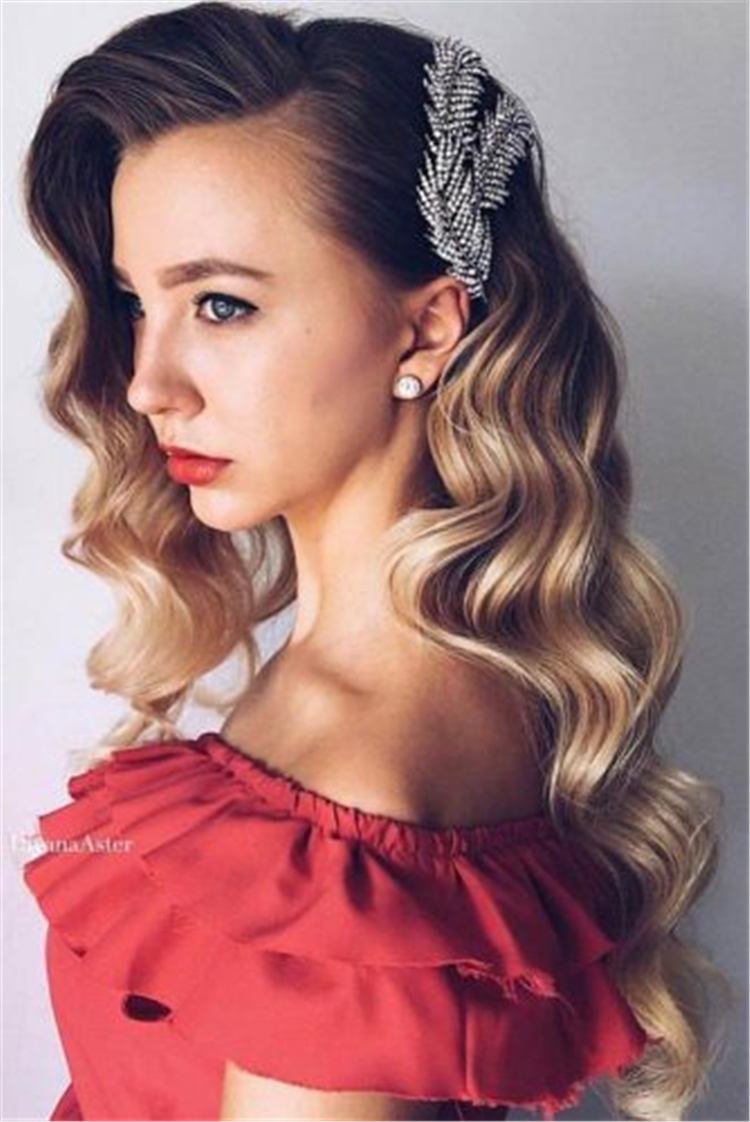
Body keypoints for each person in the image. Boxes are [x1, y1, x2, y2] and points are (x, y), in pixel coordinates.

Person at [20, 3, 730, 1120]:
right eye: (133, 302)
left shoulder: (352, 791)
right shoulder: (429, 696)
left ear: (429, 330)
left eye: (222, 304)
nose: (149, 382)